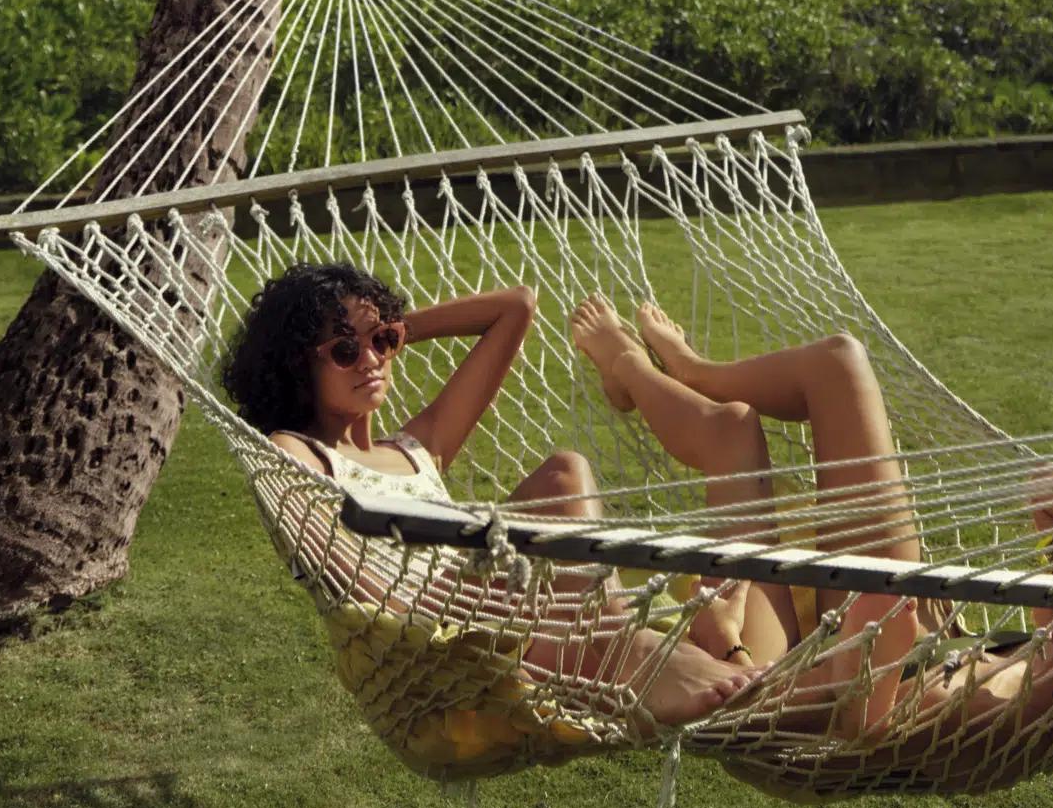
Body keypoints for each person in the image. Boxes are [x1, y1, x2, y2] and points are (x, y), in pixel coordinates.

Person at [568, 294, 1053, 772]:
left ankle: (626, 367)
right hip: (865, 629)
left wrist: (729, 642)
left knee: (735, 433)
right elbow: (1050, 488)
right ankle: (689, 371)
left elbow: (836, 721)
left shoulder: (1001, 707)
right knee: (835, 365)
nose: (1046, 557)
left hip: (787, 674)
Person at [221, 260, 756, 739]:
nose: (371, 360)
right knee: (567, 493)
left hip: (501, 617)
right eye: (343, 350)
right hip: (427, 642)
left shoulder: (416, 449)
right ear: (297, 367)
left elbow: (516, 306)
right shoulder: (298, 455)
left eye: (382, 341)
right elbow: (344, 566)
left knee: (563, 472)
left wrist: (398, 325)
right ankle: (640, 650)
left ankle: (635, 654)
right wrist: (421, 617)